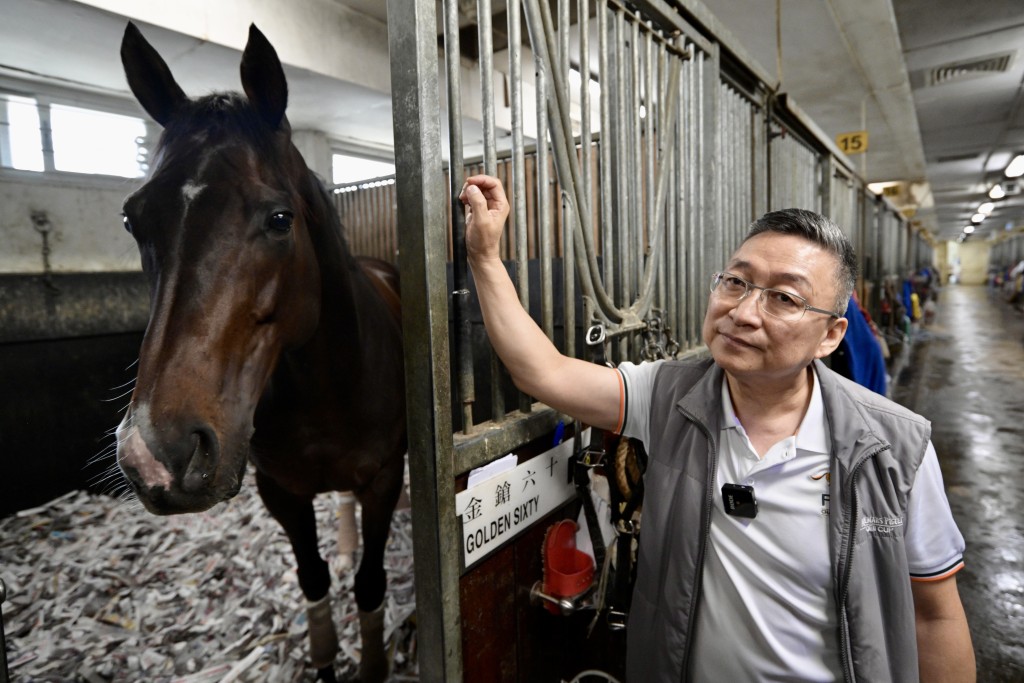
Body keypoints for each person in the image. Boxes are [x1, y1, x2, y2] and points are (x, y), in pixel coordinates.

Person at [459, 174, 975, 683]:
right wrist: (485, 256)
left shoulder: (894, 448)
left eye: (784, 298)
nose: (743, 312)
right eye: (736, 282)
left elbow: (935, 616)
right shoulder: (668, 395)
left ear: (830, 335)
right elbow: (542, 372)